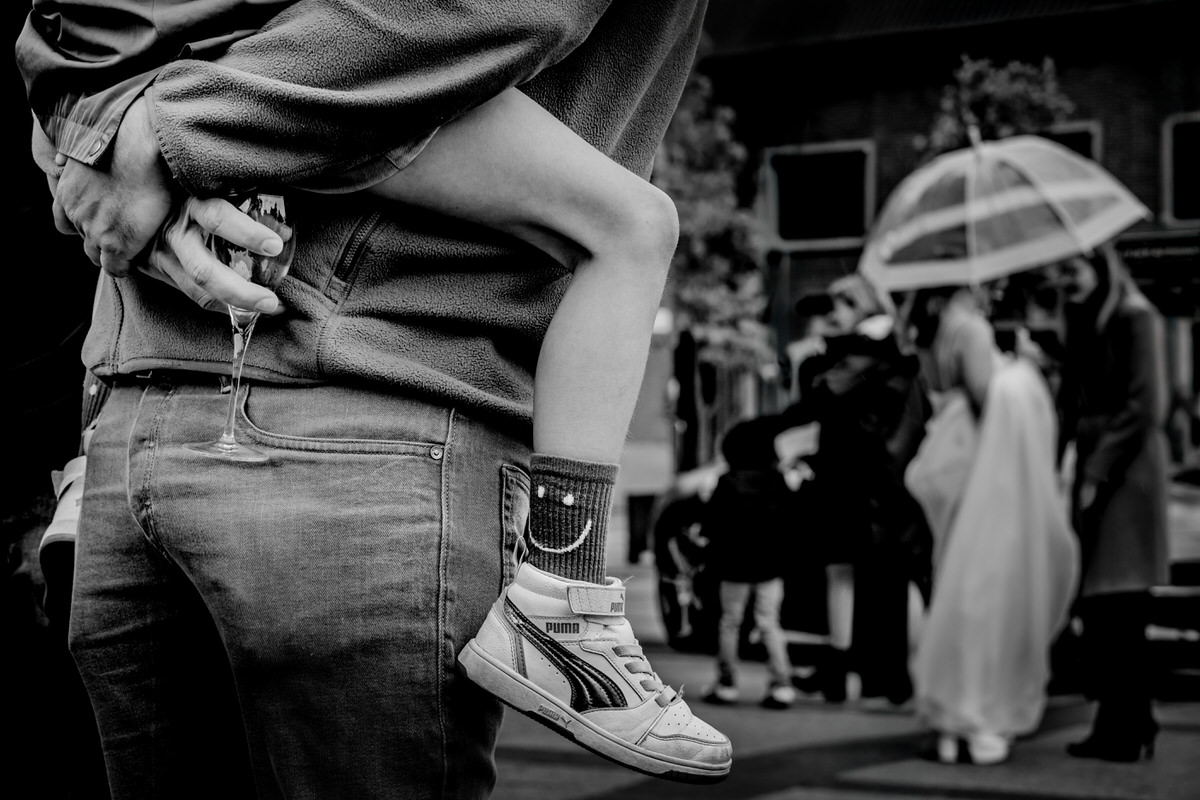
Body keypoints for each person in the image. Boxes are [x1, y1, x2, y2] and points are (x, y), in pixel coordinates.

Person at [17, 1, 733, 796]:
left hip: (135, 418)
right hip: (367, 412)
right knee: (637, 224)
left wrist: (101, 131)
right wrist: (155, 131)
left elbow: (60, 40)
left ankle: (564, 602)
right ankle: (563, 595)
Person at [903, 283, 1078, 765]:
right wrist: (1023, 369)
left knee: (955, 583)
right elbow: (989, 402)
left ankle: (948, 722)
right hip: (979, 466)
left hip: (946, 457)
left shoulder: (931, 331)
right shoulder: (972, 329)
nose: (997, 288)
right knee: (983, 592)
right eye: (991, 283)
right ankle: (975, 714)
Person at [780, 274, 930, 706]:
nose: (831, 315)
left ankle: (868, 673)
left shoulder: (864, 352)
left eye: (839, 305)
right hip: (873, 477)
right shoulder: (887, 349)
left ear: (860, 306)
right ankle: (877, 674)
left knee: (862, 575)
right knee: (875, 575)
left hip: (863, 480)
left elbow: (820, 397)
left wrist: (817, 355)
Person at [1050, 242, 1169, 763]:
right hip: (1097, 468)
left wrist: (1096, 470)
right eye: (1060, 271)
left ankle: (1125, 726)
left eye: (1073, 269)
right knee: (1103, 605)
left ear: (1100, 266)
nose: (1065, 279)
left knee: (1120, 602)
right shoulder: (1085, 323)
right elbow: (1071, 404)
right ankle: (1127, 721)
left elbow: (1146, 406)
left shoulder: (1135, 316)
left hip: (1127, 472)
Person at [699, 416, 798, 710]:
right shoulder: (777, 481)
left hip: (733, 566)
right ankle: (782, 684)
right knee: (769, 623)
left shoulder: (726, 483)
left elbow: (711, 525)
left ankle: (726, 684)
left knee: (730, 622)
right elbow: (790, 524)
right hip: (770, 566)